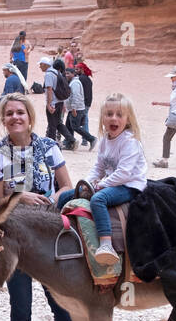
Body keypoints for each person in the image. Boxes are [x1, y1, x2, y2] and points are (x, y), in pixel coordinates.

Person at [0, 95, 83, 321]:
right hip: (15, 239)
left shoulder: (49, 147)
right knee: (21, 303)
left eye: (20, 112)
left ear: (30, 117)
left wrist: (56, 198)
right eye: (9, 113)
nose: (15, 117)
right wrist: (20, 198)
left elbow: (67, 184)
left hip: (49, 235)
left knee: (61, 301)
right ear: (3, 119)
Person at [57, 93, 147, 266]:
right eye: (109, 114)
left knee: (99, 200)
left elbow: (124, 173)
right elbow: (98, 167)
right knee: (66, 196)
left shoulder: (130, 142)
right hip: (112, 181)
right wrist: (87, 183)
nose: (114, 118)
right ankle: (58, 227)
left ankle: (106, 244)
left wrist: (100, 186)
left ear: (127, 120)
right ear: (103, 118)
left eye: (119, 115)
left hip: (130, 185)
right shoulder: (105, 140)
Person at [37, 56, 74, 150]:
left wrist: (49, 104)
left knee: (52, 125)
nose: (40, 66)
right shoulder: (56, 72)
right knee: (57, 123)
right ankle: (71, 139)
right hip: (60, 102)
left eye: (41, 64)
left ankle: (51, 146)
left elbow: (49, 89)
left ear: (45, 65)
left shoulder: (49, 74)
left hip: (54, 103)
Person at [65, 67, 95, 149]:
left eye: (68, 73)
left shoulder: (75, 83)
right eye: (66, 73)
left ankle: (91, 139)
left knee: (75, 127)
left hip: (76, 109)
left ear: (73, 74)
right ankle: (69, 144)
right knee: (68, 126)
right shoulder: (73, 82)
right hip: (73, 109)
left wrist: (74, 108)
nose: (66, 75)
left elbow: (76, 96)